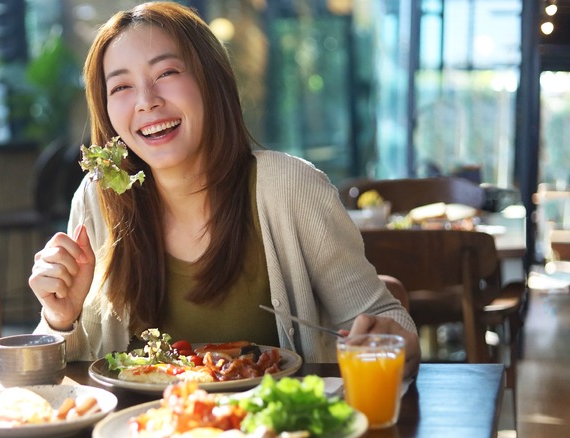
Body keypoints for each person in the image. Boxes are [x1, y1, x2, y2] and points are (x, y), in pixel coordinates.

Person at [29, 1, 420, 377]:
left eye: (166, 73)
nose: (147, 102)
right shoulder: (99, 200)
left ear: (211, 80)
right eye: (121, 87)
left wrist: (389, 340)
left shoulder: (291, 188)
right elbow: (59, 382)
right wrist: (60, 318)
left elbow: (390, 326)